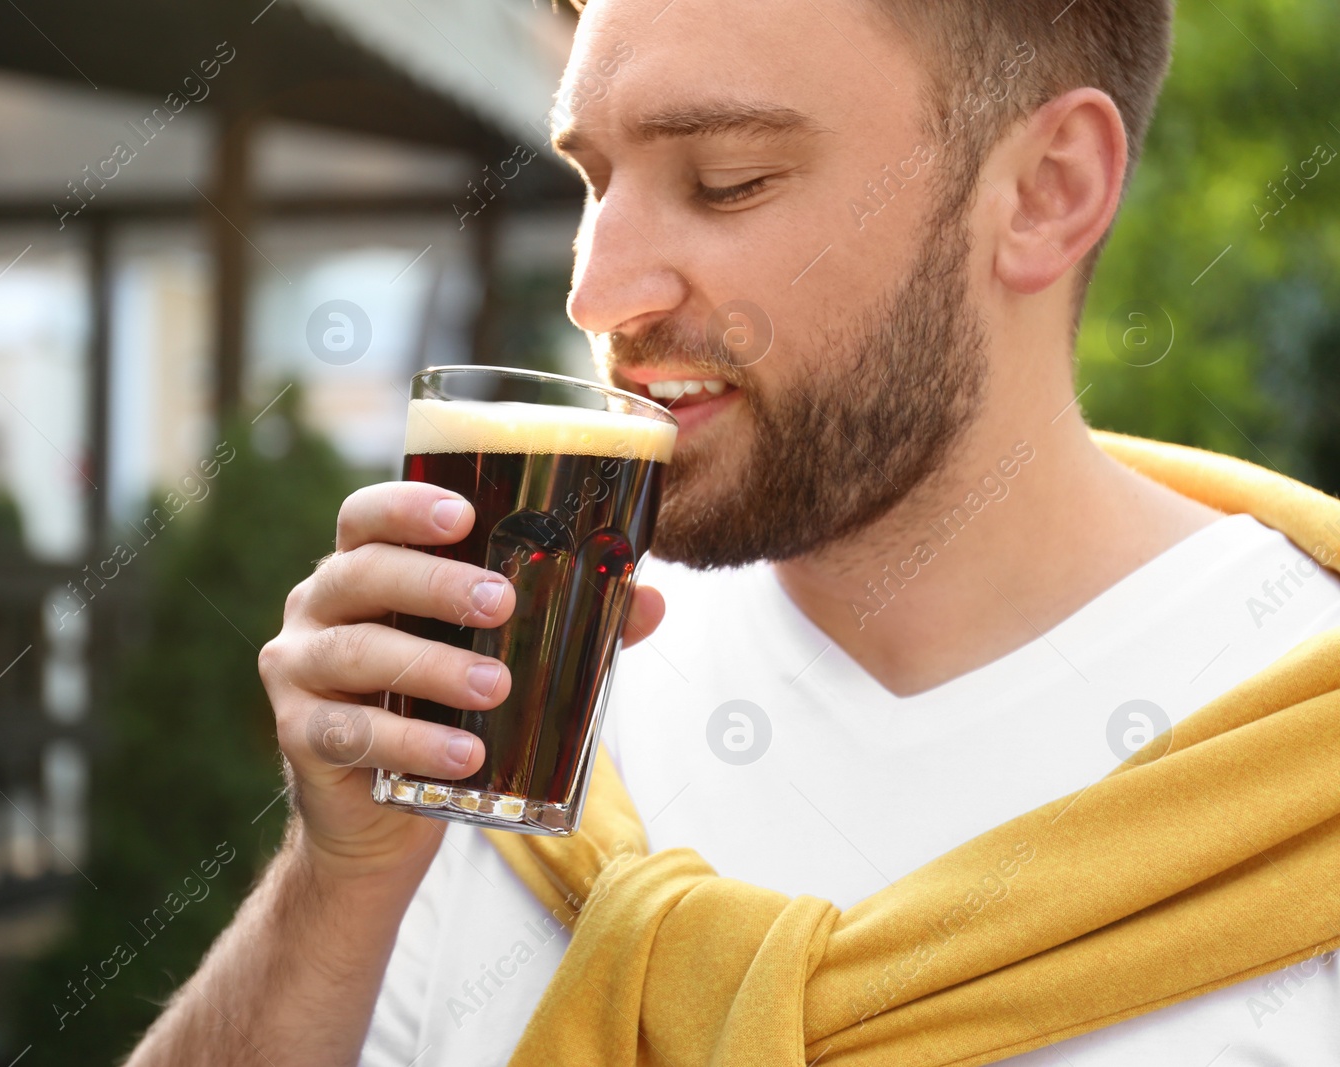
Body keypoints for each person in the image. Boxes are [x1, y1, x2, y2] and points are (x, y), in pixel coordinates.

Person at [122, 0, 1340, 1064]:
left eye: (727, 180)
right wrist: (334, 888)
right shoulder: (518, 704)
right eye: (593, 181)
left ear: (1044, 191)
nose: (596, 293)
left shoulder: (1300, 745)